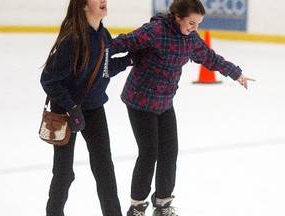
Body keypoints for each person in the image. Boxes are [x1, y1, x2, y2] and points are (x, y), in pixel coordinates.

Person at [111, 0, 255, 215]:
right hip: (140, 100)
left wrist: (235, 73)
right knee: (149, 153)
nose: (194, 28)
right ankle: (137, 207)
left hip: (164, 102)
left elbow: (209, 58)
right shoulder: (155, 31)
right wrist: (93, 48)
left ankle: (162, 205)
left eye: (198, 24)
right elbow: (122, 43)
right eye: (191, 22)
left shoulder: (191, 40)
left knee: (169, 152)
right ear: (177, 16)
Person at [40, 0, 132, 215]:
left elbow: (104, 68)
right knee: (64, 172)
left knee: (104, 170)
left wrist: (130, 60)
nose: (103, 1)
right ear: (83, 6)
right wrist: (71, 107)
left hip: (94, 109)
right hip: (65, 111)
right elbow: (49, 79)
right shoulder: (72, 40)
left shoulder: (103, 34)